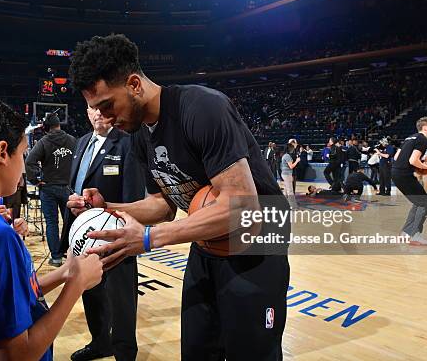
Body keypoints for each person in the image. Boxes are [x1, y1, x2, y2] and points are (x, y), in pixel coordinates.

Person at [67, 34, 290, 361]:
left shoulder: (202, 108)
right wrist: (106, 208)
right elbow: (162, 205)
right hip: (209, 243)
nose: (105, 118)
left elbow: (242, 207)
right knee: (197, 351)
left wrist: (146, 239)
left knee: (251, 353)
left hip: (257, 243)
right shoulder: (138, 134)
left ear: (134, 84)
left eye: (107, 105)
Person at [0, 93, 103, 360]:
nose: (24, 165)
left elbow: (1, 300)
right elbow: (15, 356)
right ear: (2, 152)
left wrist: (65, 274)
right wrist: (76, 285)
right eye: (23, 154)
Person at [63, 106, 145, 361]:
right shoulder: (81, 142)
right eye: (90, 108)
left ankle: (125, 352)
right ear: (85, 111)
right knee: (92, 293)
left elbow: (133, 197)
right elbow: (74, 184)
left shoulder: (127, 142)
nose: (96, 113)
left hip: (117, 236)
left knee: (122, 301)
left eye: (101, 108)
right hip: (86, 237)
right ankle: (100, 343)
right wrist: (73, 202)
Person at [26, 112, 78, 266]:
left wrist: (36, 179)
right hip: (68, 187)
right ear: (59, 125)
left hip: (48, 187)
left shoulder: (43, 141)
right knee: (70, 223)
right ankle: (70, 254)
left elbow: (30, 161)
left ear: (47, 128)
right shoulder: (72, 140)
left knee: (52, 223)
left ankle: (56, 257)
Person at [392, 117, 427, 246]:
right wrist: (425, 166)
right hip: (404, 175)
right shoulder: (423, 139)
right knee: (425, 203)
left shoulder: (409, 137)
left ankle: (406, 233)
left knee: (418, 202)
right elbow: (412, 160)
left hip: (396, 173)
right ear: (425, 128)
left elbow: (396, 156)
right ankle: (415, 235)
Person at [281, 143, 300, 208]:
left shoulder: (285, 155)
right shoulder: (287, 156)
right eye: (292, 148)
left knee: (286, 190)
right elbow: (291, 166)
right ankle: (293, 206)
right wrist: (297, 161)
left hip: (286, 174)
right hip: (287, 174)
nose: (293, 149)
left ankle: (284, 203)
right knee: (290, 191)